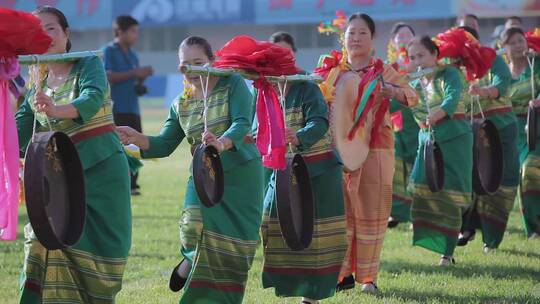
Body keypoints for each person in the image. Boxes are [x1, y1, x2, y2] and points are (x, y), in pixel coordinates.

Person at [116, 36, 264, 304]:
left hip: (243, 175)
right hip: (205, 174)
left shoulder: (233, 83)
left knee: (234, 249)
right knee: (192, 225)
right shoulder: (180, 103)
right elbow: (164, 144)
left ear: (212, 61)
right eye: (186, 64)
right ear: (179, 67)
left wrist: (221, 143)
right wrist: (137, 137)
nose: (193, 70)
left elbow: (243, 123)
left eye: (199, 62)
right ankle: (189, 258)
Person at [16, 6, 131, 303]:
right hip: (60, 176)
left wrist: (55, 110)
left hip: (104, 170)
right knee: (41, 238)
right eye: (37, 30)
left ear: (66, 33)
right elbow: (21, 127)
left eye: (51, 28)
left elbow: (91, 99)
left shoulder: (88, 62)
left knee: (103, 252)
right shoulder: (35, 78)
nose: (45, 35)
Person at [317, 12, 418, 293]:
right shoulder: (333, 70)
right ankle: (342, 275)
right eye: (351, 33)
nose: (356, 38)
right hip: (339, 151)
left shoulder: (383, 71)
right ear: (343, 37)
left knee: (372, 211)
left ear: (373, 39)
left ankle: (368, 278)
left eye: (363, 33)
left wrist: (390, 91)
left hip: (377, 148)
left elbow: (412, 95)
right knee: (341, 211)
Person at [255, 80, 347, 304]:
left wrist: (298, 136)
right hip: (283, 172)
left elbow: (319, 121)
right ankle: (289, 282)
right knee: (270, 223)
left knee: (318, 235)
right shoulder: (262, 91)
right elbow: (255, 126)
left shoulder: (307, 88)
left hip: (320, 171)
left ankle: (311, 295)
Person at [407, 35, 473, 266]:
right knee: (420, 186)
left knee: (451, 195)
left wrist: (439, 113)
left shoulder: (450, 74)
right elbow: (400, 102)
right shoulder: (414, 84)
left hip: (455, 139)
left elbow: (453, 98)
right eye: (413, 57)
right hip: (428, 142)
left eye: (421, 55)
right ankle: (432, 237)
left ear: (435, 54)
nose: (418, 61)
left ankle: (447, 252)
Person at [457, 26, 520, 252]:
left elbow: (503, 82)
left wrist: (485, 92)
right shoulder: (453, 66)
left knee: (501, 182)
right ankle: (467, 228)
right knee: (471, 180)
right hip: (469, 132)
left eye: (469, 40)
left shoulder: (492, 57)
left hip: (501, 129)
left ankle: (492, 240)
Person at [102, 15, 153, 195]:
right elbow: (107, 76)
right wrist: (135, 73)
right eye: (133, 31)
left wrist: (141, 81)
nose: (136, 35)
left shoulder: (132, 54)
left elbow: (132, 81)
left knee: (135, 146)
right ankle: (119, 183)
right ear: (120, 32)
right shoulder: (108, 51)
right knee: (118, 147)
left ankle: (132, 184)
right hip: (116, 108)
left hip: (133, 107)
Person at [501, 27, 540, 239]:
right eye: (512, 42)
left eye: (520, 40)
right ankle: (533, 228)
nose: (518, 45)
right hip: (512, 133)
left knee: (530, 170)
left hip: (536, 128)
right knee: (522, 176)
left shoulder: (536, 64)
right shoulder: (501, 73)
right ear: (504, 48)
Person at [386, 22, 420, 228]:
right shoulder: (389, 66)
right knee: (396, 166)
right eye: (400, 36)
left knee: (417, 165)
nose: (404, 39)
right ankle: (397, 213)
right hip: (396, 120)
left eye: (408, 35)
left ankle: (417, 212)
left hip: (417, 118)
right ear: (393, 41)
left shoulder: (420, 63)